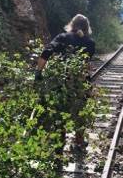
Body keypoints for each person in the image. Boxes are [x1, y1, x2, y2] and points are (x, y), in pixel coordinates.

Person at [35, 14, 96, 147]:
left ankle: (60, 141)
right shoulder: (90, 43)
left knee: (61, 109)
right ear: (87, 28)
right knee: (81, 109)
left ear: (72, 25)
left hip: (61, 79)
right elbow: (86, 64)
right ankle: (79, 140)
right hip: (80, 81)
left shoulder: (62, 37)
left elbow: (46, 52)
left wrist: (38, 72)